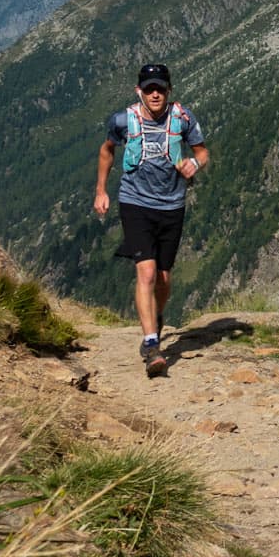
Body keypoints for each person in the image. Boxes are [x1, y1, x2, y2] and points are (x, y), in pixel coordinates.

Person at [93, 62, 209, 375]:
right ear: (139, 91)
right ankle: (151, 343)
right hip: (135, 203)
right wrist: (101, 191)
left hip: (172, 205)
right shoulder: (123, 120)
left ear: (169, 91)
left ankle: (155, 318)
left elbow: (202, 152)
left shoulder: (183, 118)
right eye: (149, 89)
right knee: (145, 272)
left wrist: (194, 167)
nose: (154, 94)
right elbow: (107, 152)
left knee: (163, 278)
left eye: (160, 88)